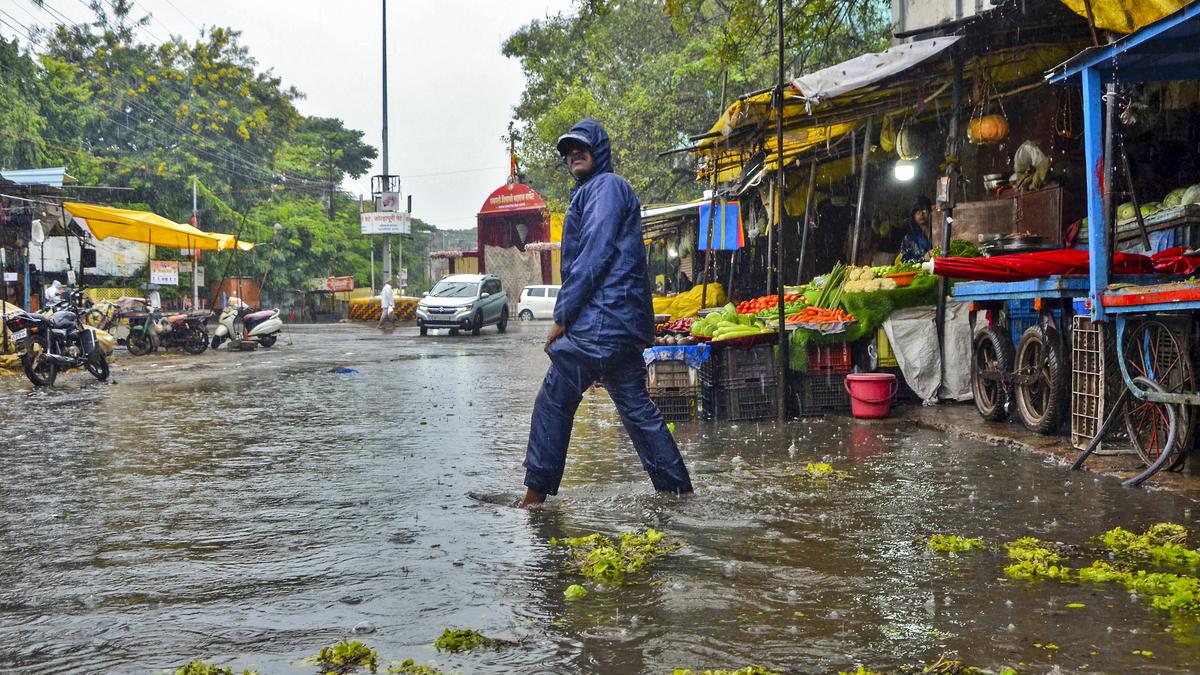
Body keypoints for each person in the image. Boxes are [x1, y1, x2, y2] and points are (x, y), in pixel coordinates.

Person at [520, 118, 694, 507]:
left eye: (581, 147)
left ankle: (533, 502)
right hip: (615, 324)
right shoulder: (594, 191)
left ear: (600, 151)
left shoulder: (607, 187)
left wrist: (562, 317)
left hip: (601, 320)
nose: (572, 155)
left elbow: (594, 254)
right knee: (637, 410)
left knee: (554, 399)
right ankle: (680, 494)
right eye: (567, 151)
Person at [899, 197, 934, 264]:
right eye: (917, 212)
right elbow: (904, 261)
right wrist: (923, 258)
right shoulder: (909, 238)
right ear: (914, 216)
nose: (921, 214)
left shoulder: (939, 233)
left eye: (924, 211)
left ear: (930, 213)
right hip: (919, 273)